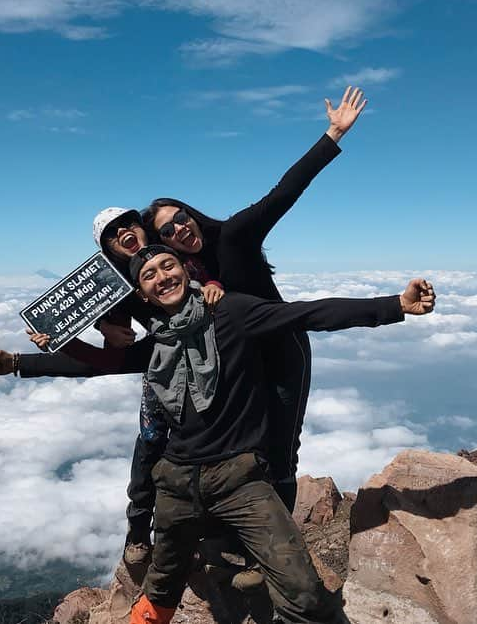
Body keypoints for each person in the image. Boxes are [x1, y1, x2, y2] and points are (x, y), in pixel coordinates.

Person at [56, 245, 435, 624]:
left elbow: (307, 313)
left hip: (239, 481)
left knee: (302, 591)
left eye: (168, 266)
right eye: (149, 274)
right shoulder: (159, 340)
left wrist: (396, 305)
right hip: (175, 484)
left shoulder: (231, 313)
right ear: (142, 292)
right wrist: (20, 362)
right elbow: (98, 364)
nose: (162, 277)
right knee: (161, 589)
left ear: (185, 270)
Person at [143, 86, 367, 513]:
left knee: (280, 450)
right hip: (240, 364)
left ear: (191, 213)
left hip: (283, 349)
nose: (179, 231)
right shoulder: (179, 275)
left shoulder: (234, 235)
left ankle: (277, 541)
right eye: (167, 232)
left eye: (180, 218)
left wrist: (333, 135)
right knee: (248, 448)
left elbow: (283, 194)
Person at [0, 206, 224, 567]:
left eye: (128, 223)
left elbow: (214, 274)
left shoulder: (170, 251)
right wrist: (93, 332)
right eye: (112, 233)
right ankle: (140, 532)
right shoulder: (115, 287)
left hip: (213, 360)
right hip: (164, 366)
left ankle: (214, 527)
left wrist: (214, 285)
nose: (124, 232)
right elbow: (110, 361)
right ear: (108, 249)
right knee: (150, 445)